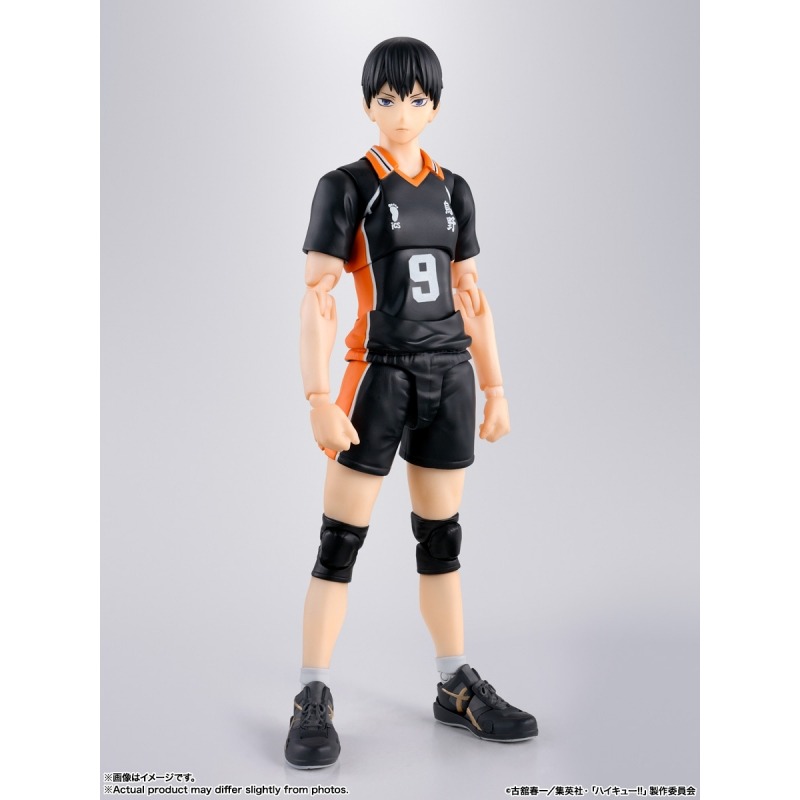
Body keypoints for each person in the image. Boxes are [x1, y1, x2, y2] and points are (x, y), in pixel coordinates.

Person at [285, 37, 537, 769]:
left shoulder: (455, 190)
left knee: (442, 540)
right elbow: (318, 297)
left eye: (417, 98)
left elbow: (472, 296)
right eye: (389, 98)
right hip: (379, 376)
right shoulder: (347, 186)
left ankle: (454, 684)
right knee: (340, 543)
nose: (403, 111)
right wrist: (316, 395)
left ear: (436, 106)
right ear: (369, 105)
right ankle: (311, 692)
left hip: (449, 375)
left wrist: (495, 386)